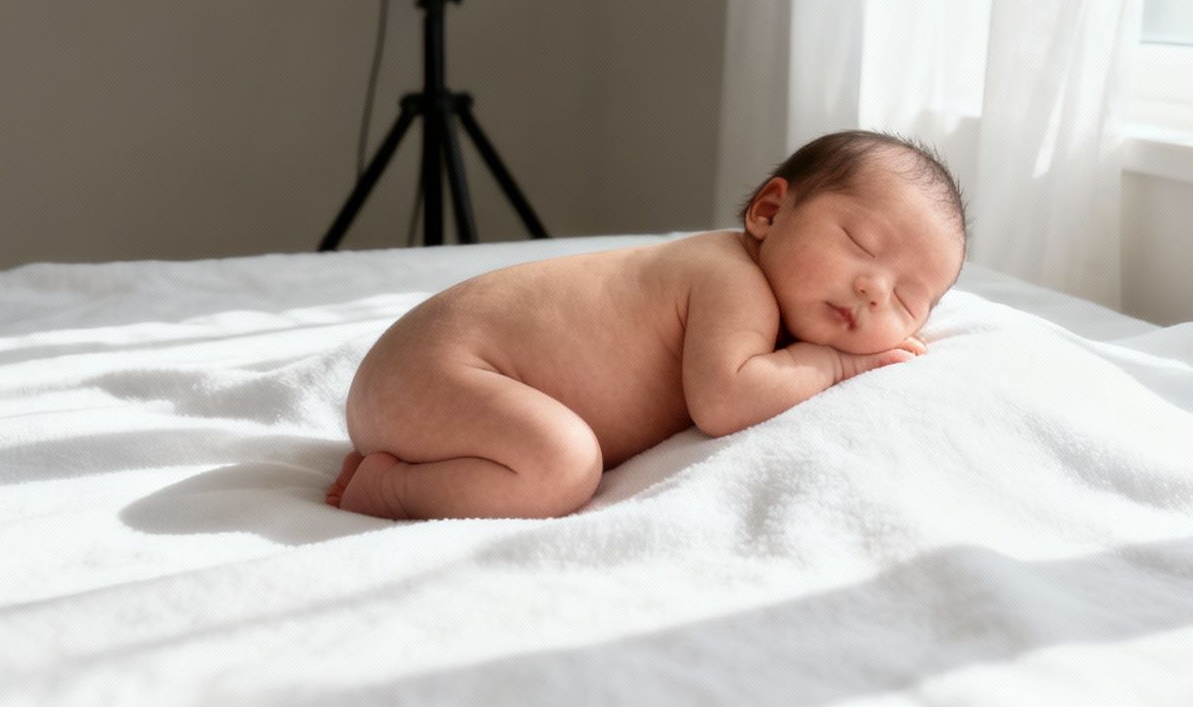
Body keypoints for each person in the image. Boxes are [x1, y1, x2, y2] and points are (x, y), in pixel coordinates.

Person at [326, 129, 968, 520]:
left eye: (910, 299)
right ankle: (392, 490)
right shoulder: (731, 277)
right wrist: (835, 363)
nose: (874, 289)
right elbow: (726, 398)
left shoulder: (753, 288)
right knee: (561, 466)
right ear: (771, 211)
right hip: (437, 373)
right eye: (861, 241)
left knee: (559, 456)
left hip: (434, 380)